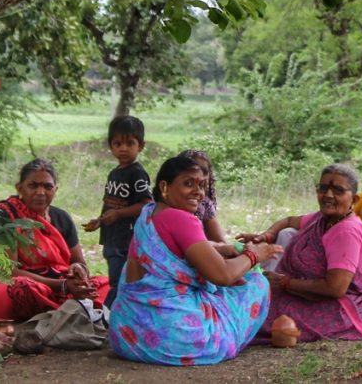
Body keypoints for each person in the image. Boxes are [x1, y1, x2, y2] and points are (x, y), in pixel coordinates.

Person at [108, 155, 281, 366]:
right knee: (255, 282)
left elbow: (180, 249)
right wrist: (255, 255)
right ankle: (227, 338)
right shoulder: (182, 218)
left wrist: (221, 248)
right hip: (174, 339)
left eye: (202, 185)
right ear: (165, 186)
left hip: (127, 333)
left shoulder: (149, 212)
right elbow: (222, 275)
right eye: (188, 183)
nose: (197, 192)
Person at [239, 163, 362, 343]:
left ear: (354, 200)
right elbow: (289, 221)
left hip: (344, 309)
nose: (328, 195)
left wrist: (286, 282)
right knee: (252, 296)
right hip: (311, 293)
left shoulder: (346, 231)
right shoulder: (323, 219)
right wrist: (267, 235)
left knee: (254, 310)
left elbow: (336, 288)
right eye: (323, 188)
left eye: (338, 190)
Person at [0, 158, 110, 321]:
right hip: (2, 287)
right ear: (19, 188)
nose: (40, 192)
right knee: (21, 288)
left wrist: (77, 270)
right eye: (33, 186)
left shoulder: (61, 218)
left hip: (59, 285)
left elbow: (80, 263)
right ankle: (74, 310)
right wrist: (63, 286)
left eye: (47, 186)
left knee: (109, 284)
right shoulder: (1, 216)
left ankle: (69, 309)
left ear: (55, 190)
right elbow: (7, 272)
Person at [84, 115, 152, 307]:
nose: (123, 148)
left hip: (126, 239)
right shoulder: (115, 173)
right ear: (110, 145)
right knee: (115, 278)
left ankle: (110, 316)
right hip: (112, 237)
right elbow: (111, 205)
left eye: (130, 143)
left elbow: (145, 205)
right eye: (118, 143)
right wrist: (99, 221)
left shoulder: (137, 174)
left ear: (141, 146)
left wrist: (118, 215)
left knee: (120, 282)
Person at [177, 148, 228, 244]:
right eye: (194, 170)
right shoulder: (166, 204)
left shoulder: (205, 203)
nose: (200, 176)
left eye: (204, 172)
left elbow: (220, 241)